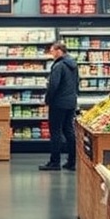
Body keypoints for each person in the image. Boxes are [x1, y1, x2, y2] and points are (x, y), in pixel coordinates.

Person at [40, 42, 79, 171]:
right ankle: (72, 161)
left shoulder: (58, 65)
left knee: (55, 131)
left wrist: (48, 99)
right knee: (69, 130)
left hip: (58, 103)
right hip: (71, 102)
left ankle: (54, 162)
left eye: (52, 51)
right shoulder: (73, 64)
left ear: (59, 51)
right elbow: (77, 83)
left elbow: (53, 86)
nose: (51, 54)